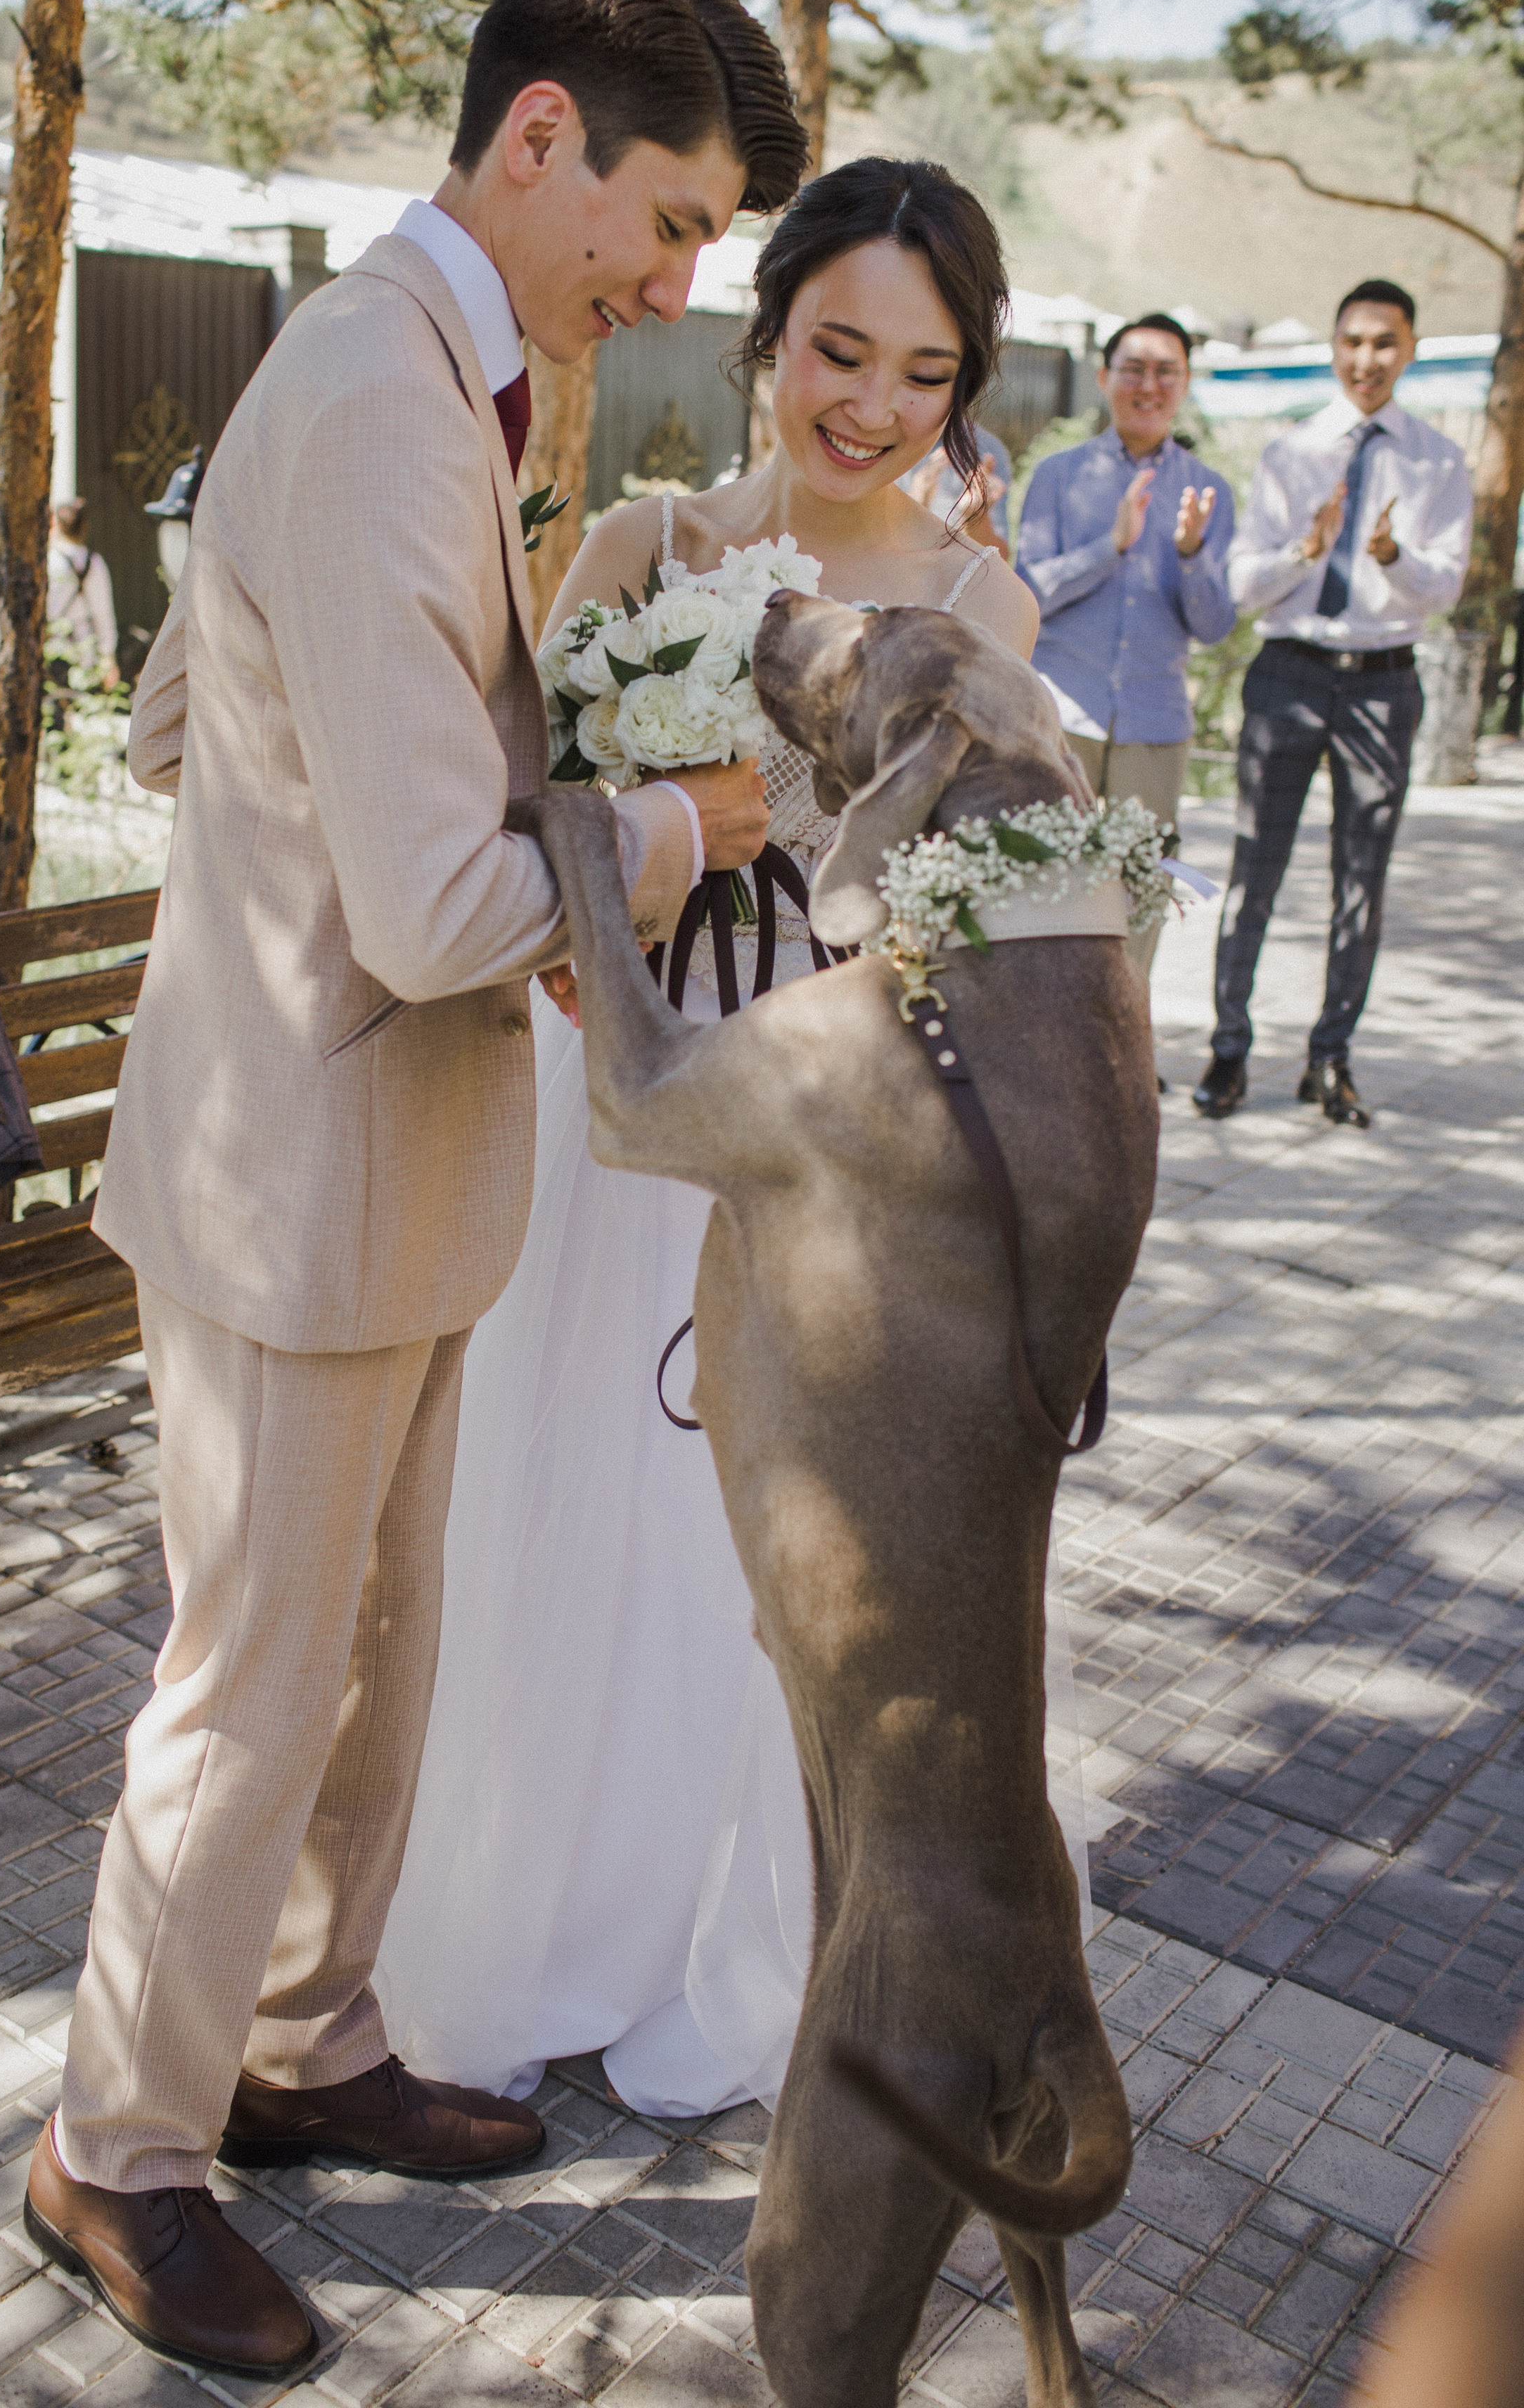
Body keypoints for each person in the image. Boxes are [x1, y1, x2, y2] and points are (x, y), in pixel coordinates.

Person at [26, 0, 808, 2383]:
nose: (670, 286)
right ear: (541, 135)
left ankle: (299, 2036)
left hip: (377, 1154)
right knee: (250, 1693)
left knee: (376, 1658)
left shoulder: (418, 372)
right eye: (665, 223)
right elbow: (443, 909)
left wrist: (410, 773)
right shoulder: (384, 392)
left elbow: (177, 710)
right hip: (297, 1191)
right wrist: (673, 823)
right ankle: (113, 2152)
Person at [375, 155, 1097, 2125]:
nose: (871, 405)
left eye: (924, 376)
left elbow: (999, 923)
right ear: (766, 334)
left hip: (823, 1143)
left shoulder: (980, 607)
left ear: (966, 392)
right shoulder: (640, 544)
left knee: (758, 1557)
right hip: (614, 1114)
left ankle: (728, 1935)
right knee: (563, 1514)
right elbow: (521, 822)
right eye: (838, 350)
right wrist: (581, 923)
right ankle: (534, 1921)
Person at [1194, 279, 1473, 1128]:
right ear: (1333, 347)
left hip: (1383, 681)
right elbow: (1242, 584)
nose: (1366, 359)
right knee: (1255, 869)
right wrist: (1304, 550)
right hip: (1290, 670)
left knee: (1361, 879)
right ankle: (1228, 1049)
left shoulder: (1437, 460)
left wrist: (1389, 555)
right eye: (1352, 342)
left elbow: (1445, 587)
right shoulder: (1291, 452)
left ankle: (1330, 1057)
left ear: (1410, 350)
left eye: (1384, 343)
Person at [1016, 314, 1236, 990]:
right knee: (1047, 889)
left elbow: (1215, 625)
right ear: (1105, 378)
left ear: (1186, 384)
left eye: (1166, 372)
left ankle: (1120, 1032)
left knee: (1141, 895)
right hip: (1064, 719)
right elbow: (1027, 594)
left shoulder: (1209, 490)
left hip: (1154, 725)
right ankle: (1043, 1033)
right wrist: (1108, 546)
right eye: (1134, 369)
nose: (1149, 385)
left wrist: (1191, 554)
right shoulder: (1058, 476)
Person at [902, 421, 1013, 556]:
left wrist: (975, 517)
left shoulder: (987, 448)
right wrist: (916, 504)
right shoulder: (888, 441)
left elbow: (1000, 557)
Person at [46, 499, 119, 689]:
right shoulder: (94, 563)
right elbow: (103, 613)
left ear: (55, 524)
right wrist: (108, 656)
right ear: (84, 527)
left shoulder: (48, 561)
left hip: (51, 648)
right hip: (84, 650)